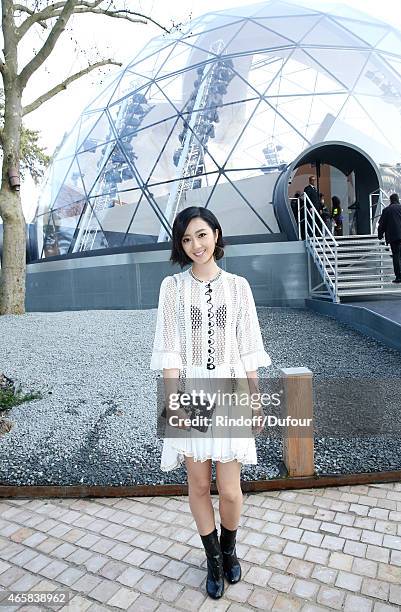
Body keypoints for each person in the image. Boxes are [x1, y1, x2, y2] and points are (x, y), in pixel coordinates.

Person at [150, 206, 271, 599]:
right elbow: (169, 350)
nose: (195, 245)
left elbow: (249, 348)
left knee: (231, 489)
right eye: (186, 239)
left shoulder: (238, 287)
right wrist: (174, 403)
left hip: (231, 390)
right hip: (193, 392)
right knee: (199, 485)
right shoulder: (173, 287)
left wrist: (257, 401)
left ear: (216, 235)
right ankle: (214, 559)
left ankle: (231, 546)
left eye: (201, 235)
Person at [378, 192, 401, 283]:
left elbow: (381, 224)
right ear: (398, 199)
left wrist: (380, 235)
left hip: (393, 236)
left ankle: (398, 277)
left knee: (395, 254)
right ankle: (400, 267)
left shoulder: (387, 210)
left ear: (390, 200)